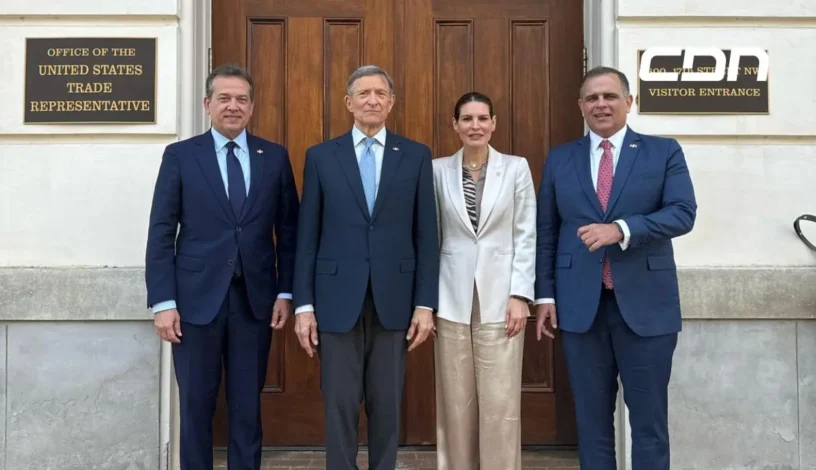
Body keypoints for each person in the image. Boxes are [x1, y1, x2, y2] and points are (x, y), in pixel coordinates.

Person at [534, 65, 697, 470]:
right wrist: (545, 294)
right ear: (581, 106)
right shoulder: (560, 158)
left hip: (646, 308)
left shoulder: (663, 151)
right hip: (580, 310)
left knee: (649, 424)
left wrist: (621, 229)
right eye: (592, 98)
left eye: (609, 96)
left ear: (629, 101)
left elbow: (682, 213)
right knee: (591, 426)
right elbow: (547, 231)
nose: (601, 104)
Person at [145, 63, 299, 470]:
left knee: (247, 406)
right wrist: (163, 302)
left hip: (255, 303)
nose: (233, 106)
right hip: (194, 304)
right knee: (196, 407)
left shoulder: (274, 157)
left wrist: (285, 291)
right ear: (207, 103)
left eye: (242, 99)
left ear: (252, 106)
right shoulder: (181, 156)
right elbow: (161, 231)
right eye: (225, 98)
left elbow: (289, 231)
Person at [292, 65, 439, 470]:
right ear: (349, 102)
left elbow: (427, 235)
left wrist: (425, 304)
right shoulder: (321, 157)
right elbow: (307, 236)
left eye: (380, 93)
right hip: (335, 299)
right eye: (363, 93)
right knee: (339, 402)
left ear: (391, 102)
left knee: (387, 403)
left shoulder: (415, 155)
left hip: (395, 299)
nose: (372, 100)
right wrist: (303, 305)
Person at [432, 92, 536, 469]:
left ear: (493, 123)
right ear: (455, 125)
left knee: (501, 402)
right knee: (455, 402)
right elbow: (431, 237)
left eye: (482, 118)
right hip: (450, 299)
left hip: (502, 299)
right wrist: (427, 302)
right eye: (467, 119)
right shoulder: (436, 170)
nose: (475, 126)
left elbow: (525, 233)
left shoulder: (516, 168)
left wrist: (521, 295)